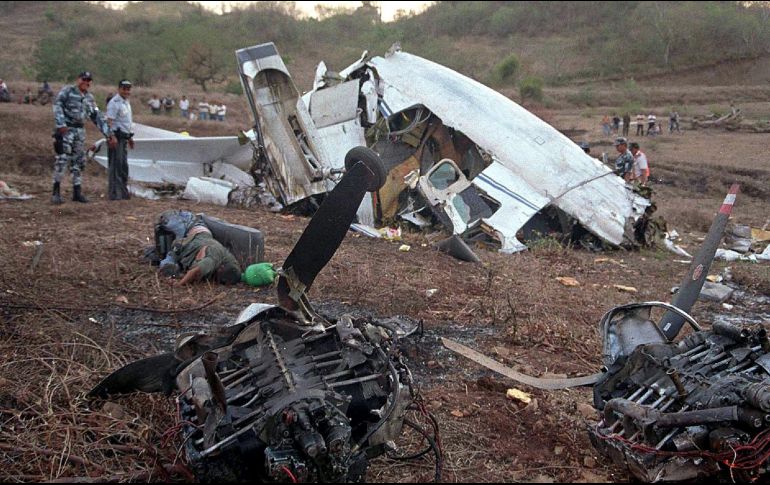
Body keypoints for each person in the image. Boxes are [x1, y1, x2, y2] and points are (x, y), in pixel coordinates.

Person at [51, 71, 111, 204]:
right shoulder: (67, 91)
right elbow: (57, 105)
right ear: (78, 80)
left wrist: (108, 133)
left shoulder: (89, 98)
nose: (86, 82)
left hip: (79, 130)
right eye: (84, 79)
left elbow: (96, 116)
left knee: (78, 161)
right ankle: (56, 191)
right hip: (66, 129)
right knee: (62, 159)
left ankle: (77, 192)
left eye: (89, 80)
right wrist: (60, 123)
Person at [155, 210, 241, 286]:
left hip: (182, 248)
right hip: (192, 226)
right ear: (221, 267)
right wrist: (179, 284)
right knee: (163, 220)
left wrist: (180, 276)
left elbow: (194, 271)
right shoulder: (214, 257)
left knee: (166, 262)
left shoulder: (219, 266)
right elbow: (196, 270)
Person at [105, 79, 134, 200]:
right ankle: (115, 193)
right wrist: (111, 137)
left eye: (128, 89)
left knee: (123, 166)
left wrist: (131, 137)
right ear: (119, 89)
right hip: (116, 137)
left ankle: (123, 191)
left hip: (124, 138)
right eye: (124, 88)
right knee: (116, 166)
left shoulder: (126, 103)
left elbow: (126, 122)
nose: (127, 91)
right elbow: (109, 122)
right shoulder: (114, 103)